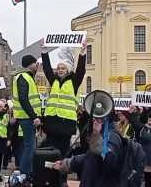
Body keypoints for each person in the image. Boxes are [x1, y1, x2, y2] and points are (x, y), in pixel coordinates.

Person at [41, 44, 87, 186]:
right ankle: (50, 179)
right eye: (59, 68)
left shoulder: (73, 82)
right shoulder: (53, 81)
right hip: (52, 125)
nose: (60, 70)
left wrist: (83, 54)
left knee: (63, 156)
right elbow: (47, 68)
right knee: (50, 155)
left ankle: (62, 181)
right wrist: (44, 51)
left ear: (68, 70)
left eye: (63, 68)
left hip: (66, 126)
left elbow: (80, 71)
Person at [52, 111, 124, 187]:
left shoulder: (112, 136)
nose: (93, 120)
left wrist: (96, 136)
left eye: (96, 117)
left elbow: (108, 160)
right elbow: (90, 158)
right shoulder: (103, 134)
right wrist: (67, 164)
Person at [12, 55, 42, 179]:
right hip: (27, 117)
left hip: (27, 117)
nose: (37, 66)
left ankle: (28, 172)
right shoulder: (23, 77)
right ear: (30, 64)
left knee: (30, 146)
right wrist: (33, 116)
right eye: (36, 63)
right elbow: (23, 98)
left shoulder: (27, 77)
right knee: (29, 147)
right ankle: (25, 174)